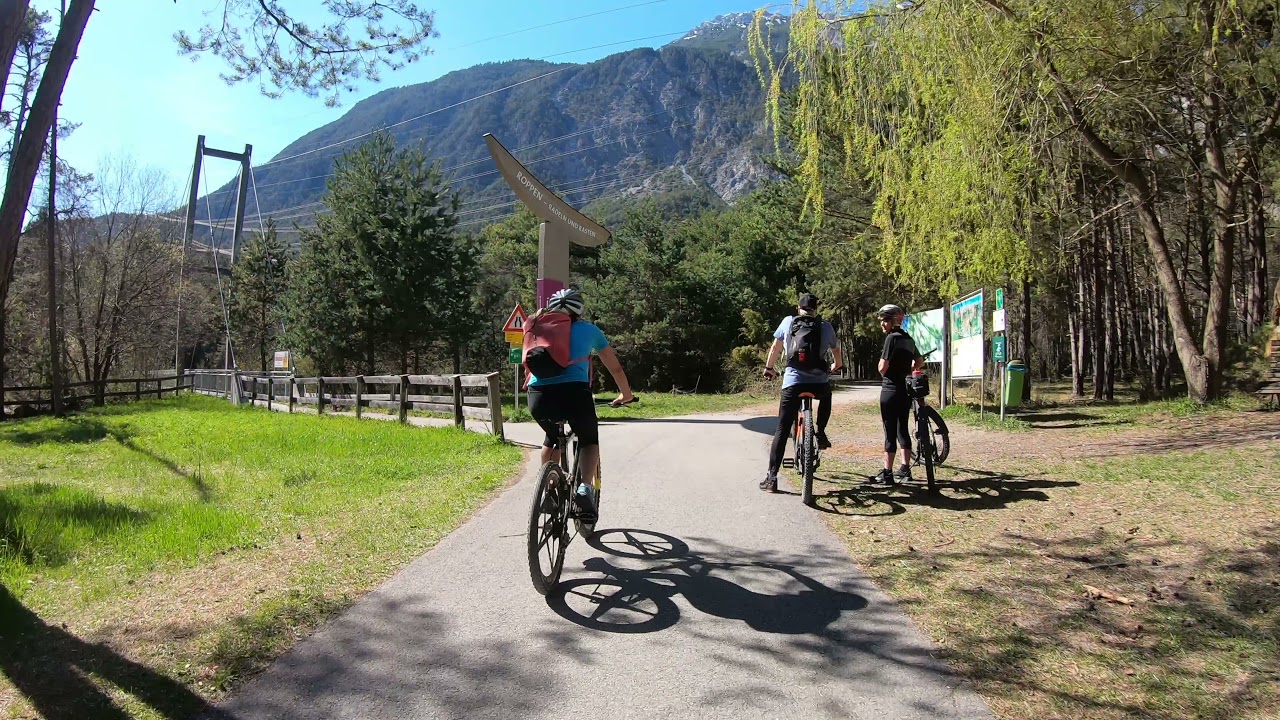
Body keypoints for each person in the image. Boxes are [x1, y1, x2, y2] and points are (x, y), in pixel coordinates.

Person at [526, 288, 635, 519]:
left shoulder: (537, 326)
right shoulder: (589, 330)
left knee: (552, 437)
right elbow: (614, 367)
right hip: (574, 393)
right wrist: (625, 394)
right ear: (579, 310)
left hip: (537, 395)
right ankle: (585, 487)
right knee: (587, 439)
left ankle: (550, 487)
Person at [759, 292, 843, 492]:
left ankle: (771, 478)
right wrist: (836, 366)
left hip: (793, 383)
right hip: (818, 383)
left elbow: (776, 347)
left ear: (799, 308)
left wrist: (769, 368)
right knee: (826, 396)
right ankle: (820, 431)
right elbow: (836, 351)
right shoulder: (825, 326)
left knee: (781, 429)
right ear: (815, 309)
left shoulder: (788, 322)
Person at [875, 304, 924, 484]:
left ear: (894, 321)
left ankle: (887, 472)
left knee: (889, 431)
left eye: (885, 321)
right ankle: (905, 469)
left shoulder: (891, 338)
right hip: (905, 390)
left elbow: (882, 367)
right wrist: (908, 369)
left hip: (889, 389)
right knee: (902, 428)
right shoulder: (909, 339)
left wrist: (887, 372)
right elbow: (919, 361)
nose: (882, 324)